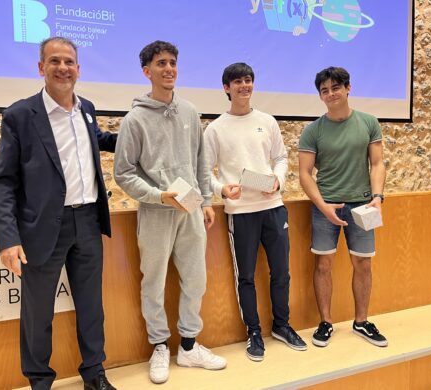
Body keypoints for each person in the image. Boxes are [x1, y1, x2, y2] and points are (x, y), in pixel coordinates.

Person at [0, 37, 117, 390]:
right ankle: (40, 381)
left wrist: (140, 135)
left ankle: (95, 374)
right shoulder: (20, 115)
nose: (64, 68)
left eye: (70, 62)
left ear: (79, 68)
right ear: (41, 67)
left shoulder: (86, 109)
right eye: (55, 61)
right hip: (43, 229)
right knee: (38, 312)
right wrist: (8, 239)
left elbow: (100, 140)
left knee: (92, 306)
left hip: (88, 222)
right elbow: (2, 183)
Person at [113, 40, 226, 384]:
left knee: (196, 279)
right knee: (155, 281)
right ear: (147, 71)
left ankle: (189, 346)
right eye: (161, 63)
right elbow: (124, 173)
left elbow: (200, 160)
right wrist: (160, 196)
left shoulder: (190, 112)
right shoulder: (134, 120)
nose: (169, 69)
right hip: (157, 212)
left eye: (173, 62)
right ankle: (160, 345)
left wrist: (206, 200)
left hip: (191, 210)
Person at [204, 63, 307, 362]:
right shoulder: (215, 129)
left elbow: (281, 158)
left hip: (273, 208)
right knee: (246, 277)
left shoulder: (268, 121)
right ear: (226, 88)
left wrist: (278, 179)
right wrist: (222, 189)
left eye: (248, 80)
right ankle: (253, 332)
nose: (244, 86)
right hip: (241, 212)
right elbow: (204, 171)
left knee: (282, 273)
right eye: (237, 82)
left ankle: (282, 326)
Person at [298, 66, 388, 348]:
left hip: (364, 205)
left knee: (363, 263)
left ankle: (361, 322)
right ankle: (325, 323)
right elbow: (304, 174)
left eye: (335, 88)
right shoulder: (313, 130)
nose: (330, 94)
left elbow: (377, 163)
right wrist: (323, 206)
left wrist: (378, 196)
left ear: (348, 88)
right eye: (324, 90)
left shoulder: (369, 122)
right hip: (326, 208)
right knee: (323, 264)